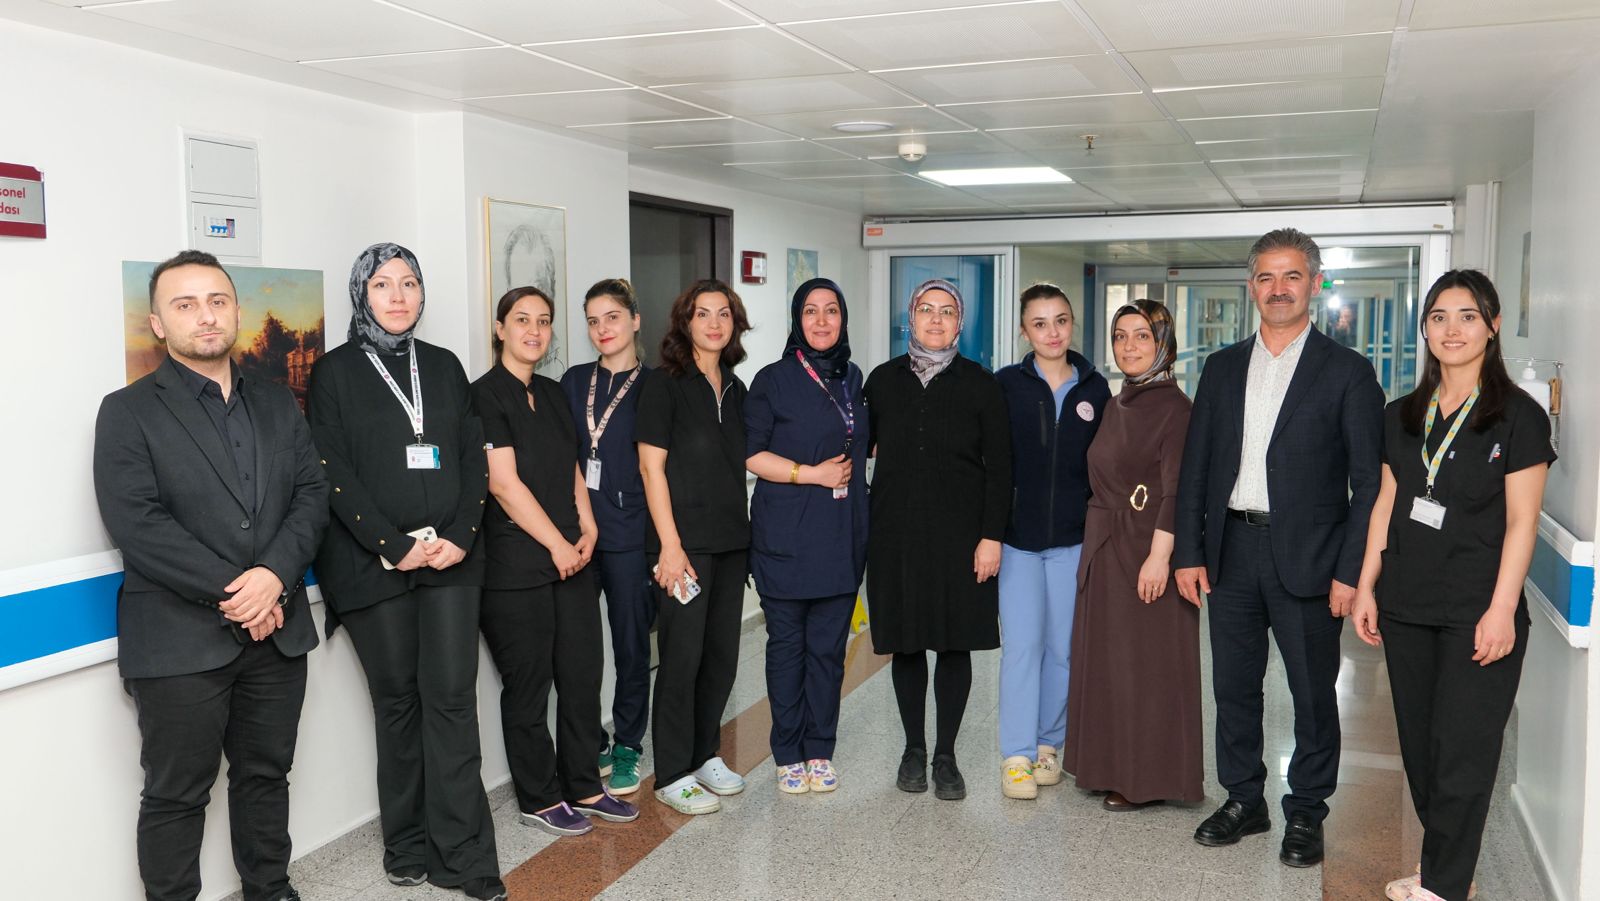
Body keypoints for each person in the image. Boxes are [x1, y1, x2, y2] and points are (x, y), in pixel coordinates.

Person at [94, 250, 329, 901]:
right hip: (178, 640)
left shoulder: (278, 401)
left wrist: (274, 574)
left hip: (276, 637)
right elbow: (138, 523)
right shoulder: (127, 411)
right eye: (186, 304)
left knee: (267, 776)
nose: (206, 315)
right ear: (158, 323)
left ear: (236, 310)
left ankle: (270, 889)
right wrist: (245, 591)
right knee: (176, 794)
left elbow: (311, 496)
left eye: (217, 300)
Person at [1174, 227, 1384, 868]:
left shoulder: (1347, 371)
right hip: (1231, 549)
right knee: (1234, 688)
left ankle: (1307, 811)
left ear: (1314, 284)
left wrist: (1351, 571)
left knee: (1313, 695)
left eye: (1292, 276)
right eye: (1266, 277)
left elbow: (1369, 483)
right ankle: (1244, 800)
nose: (1279, 288)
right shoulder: (1221, 368)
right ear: (1251, 287)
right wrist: (1189, 551)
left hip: (1312, 559)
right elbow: (1196, 467)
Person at [305, 243, 504, 901]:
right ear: (362, 293)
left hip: (451, 560)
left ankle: (465, 856)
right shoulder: (333, 372)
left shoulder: (444, 366)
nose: (398, 296)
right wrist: (392, 544)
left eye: (410, 282)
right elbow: (331, 468)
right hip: (372, 565)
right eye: (383, 284)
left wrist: (459, 538)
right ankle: (407, 843)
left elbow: (474, 460)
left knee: (452, 701)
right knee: (398, 706)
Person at [1351, 270, 1553, 901]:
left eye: (1468, 316)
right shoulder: (1402, 415)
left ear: (1493, 326)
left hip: (1478, 609)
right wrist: (1366, 584)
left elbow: (1522, 522)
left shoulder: (1518, 417)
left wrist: (1502, 609)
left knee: (1463, 750)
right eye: (1439, 317)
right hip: (1407, 604)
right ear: (1426, 330)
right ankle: (1444, 869)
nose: (1452, 329)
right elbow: (1386, 504)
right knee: (1421, 751)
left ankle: (1443, 885)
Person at [475, 286, 639, 838]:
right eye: (522, 320)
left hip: (572, 558)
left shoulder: (551, 391)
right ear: (500, 329)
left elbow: (573, 465)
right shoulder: (484, 396)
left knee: (582, 675)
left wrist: (588, 526)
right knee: (529, 687)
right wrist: (558, 544)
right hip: (516, 566)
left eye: (543, 321)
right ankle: (540, 797)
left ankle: (584, 784)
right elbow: (503, 484)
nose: (534, 331)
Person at [864, 278, 1011, 802]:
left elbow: (1001, 469)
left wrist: (991, 538)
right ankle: (913, 749)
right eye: (926, 309)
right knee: (905, 642)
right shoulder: (882, 382)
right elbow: (856, 449)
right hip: (895, 536)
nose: (935, 319)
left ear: (960, 322)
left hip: (961, 539)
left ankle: (946, 755)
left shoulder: (981, 385)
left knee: (954, 642)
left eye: (946, 311)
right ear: (910, 316)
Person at [1063, 300, 1203, 810]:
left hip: (1146, 547)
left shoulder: (1176, 408)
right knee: (1109, 663)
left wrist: (1160, 557)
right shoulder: (1117, 400)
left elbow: (1176, 489)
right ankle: (1107, 766)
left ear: (1163, 342)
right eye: (1120, 336)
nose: (1129, 346)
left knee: (1146, 666)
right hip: (1106, 543)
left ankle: (1147, 779)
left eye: (1142, 335)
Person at [744, 277, 870, 794]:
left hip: (840, 538)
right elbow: (752, 455)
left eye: (831, 310)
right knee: (787, 649)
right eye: (811, 311)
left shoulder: (852, 377)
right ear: (797, 319)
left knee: (828, 652)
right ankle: (787, 751)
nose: (821, 321)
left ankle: (820, 749)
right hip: (785, 540)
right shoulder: (771, 380)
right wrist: (811, 474)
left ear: (843, 318)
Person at [636, 278, 754, 815]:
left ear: (734, 323)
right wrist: (670, 545)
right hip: (683, 548)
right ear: (685, 322)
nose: (714, 323)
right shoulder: (664, 385)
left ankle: (705, 754)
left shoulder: (736, 388)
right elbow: (651, 468)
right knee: (681, 659)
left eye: (723, 313)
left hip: (730, 544)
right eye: (702, 313)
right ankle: (672, 773)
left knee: (721, 658)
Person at [992, 283, 1108, 800]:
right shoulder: (1005, 386)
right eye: (1040, 323)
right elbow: (993, 464)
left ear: (1071, 323)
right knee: (1022, 647)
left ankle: (1047, 746)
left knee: (1062, 650)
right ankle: (1016, 755)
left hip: (1072, 542)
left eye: (1060, 320)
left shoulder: (1095, 389)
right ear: (1025, 331)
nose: (1052, 332)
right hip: (1017, 541)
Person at [559, 278, 652, 796]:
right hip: (577, 533)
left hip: (629, 533)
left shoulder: (655, 386)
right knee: (576, 647)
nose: (602, 329)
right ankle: (590, 738)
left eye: (612, 317)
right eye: (593, 321)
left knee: (631, 645)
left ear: (635, 320)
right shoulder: (573, 382)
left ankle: (628, 745)